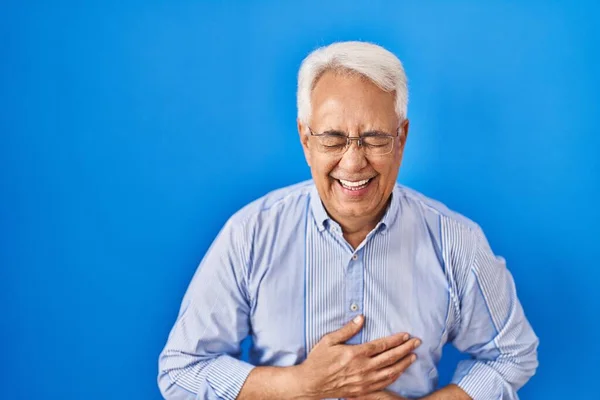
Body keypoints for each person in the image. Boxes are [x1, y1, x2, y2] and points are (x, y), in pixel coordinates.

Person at [157, 41, 538, 400]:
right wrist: (302, 384)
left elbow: (512, 355)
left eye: (374, 138)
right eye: (333, 139)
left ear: (401, 138)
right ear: (305, 140)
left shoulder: (456, 242)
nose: (353, 162)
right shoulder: (251, 235)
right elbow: (181, 371)